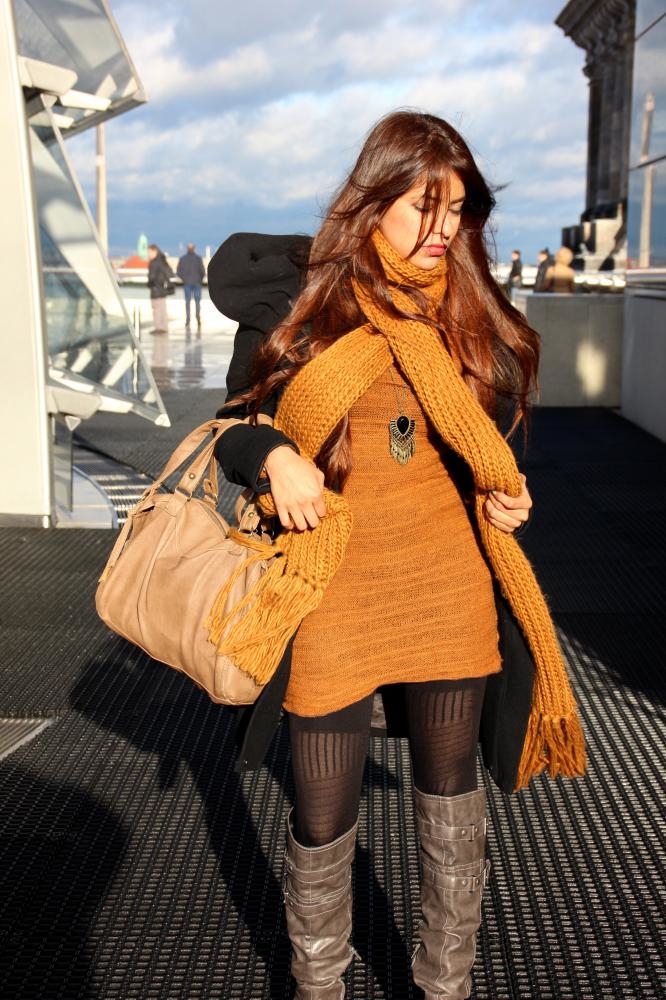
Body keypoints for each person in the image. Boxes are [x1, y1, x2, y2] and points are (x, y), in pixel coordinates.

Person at [212, 110, 584, 1000]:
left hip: (449, 582)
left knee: (451, 793)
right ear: (374, 201)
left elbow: (483, 439)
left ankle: (444, 985)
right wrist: (274, 456)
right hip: (331, 586)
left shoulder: (465, 307)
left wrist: (506, 493)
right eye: (425, 206)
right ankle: (320, 986)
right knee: (321, 810)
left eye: (456, 210)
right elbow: (231, 427)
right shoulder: (305, 305)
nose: (442, 229)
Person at [177, 243, 206, 329]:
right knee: (197, 302)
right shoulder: (198, 258)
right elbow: (202, 271)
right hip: (197, 282)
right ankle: (198, 318)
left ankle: (188, 320)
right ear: (194, 249)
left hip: (187, 283)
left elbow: (178, 272)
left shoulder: (182, 259)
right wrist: (200, 280)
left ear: (187, 249)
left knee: (188, 302)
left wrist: (184, 279)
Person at [147, 244, 174, 333]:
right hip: (162, 290)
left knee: (157, 309)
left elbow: (152, 277)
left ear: (154, 251)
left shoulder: (154, 262)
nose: (148, 254)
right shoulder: (162, 260)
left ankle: (158, 328)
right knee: (162, 309)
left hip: (156, 289)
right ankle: (164, 327)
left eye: (149, 252)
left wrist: (149, 284)